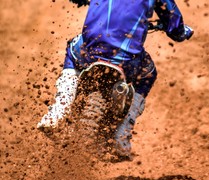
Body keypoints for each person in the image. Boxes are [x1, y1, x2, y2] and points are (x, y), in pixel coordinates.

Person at [37, 0, 193, 157]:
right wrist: (182, 32)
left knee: (72, 52)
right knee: (149, 74)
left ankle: (58, 110)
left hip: (91, 49)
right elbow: (174, 24)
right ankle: (123, 134)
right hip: (128, 59)